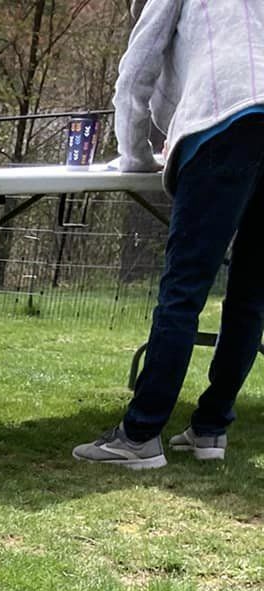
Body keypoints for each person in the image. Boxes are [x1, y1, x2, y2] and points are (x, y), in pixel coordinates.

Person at [75, 0, 264, 469]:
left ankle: (139, 435)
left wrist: (134, 156)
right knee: (249, 295)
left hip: (224, 122)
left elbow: (136, 71)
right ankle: (210, 428)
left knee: (183, 291)